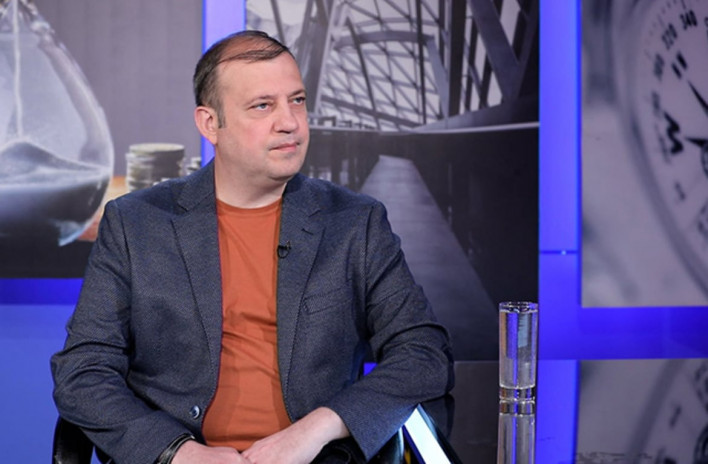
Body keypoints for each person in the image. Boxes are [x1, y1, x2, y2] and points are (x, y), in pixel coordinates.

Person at [51, 30, 454, 464]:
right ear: (210, 124)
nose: (289, 122)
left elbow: (424, 353)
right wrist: (179, 453)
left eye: (297, 100)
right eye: (263, 105)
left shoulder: (355, 222)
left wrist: (317, 428)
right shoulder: (136, 223)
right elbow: (83, 372)